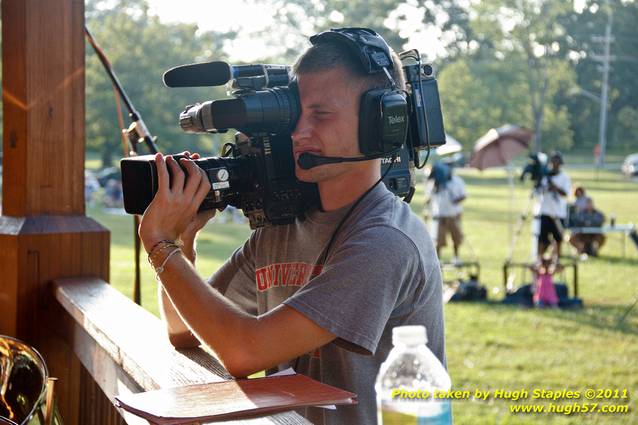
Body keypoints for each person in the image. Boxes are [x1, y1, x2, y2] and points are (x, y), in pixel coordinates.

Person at [138, 28, 445, 425]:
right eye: (296, 114)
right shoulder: (281, 227)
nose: (299, 133)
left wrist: (160, 246)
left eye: (321, 114)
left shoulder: (385, 241)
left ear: (381, 123)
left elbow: (244, 352)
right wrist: (183, 242)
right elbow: (184, 331)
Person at [425, 161, 466, 261]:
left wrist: (455, 200)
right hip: (439, 215)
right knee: (438, 239)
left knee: (456, 238)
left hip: (453, 214)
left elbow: (463, 195)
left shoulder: (457, 181)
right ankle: (437, 259)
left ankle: (456, 257)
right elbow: (428, 198)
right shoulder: (435, 183)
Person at [534, 151, 571, 260]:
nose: (554, 164)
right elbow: (538, 191)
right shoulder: (545, 176)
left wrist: (555, 187)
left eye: (557, 162)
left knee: (558, 239)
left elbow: (566, 193)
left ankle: (557, 259)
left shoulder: (564, 177)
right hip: (545, 210)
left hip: (558, 212)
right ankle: (540, 259)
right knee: (542, 238)